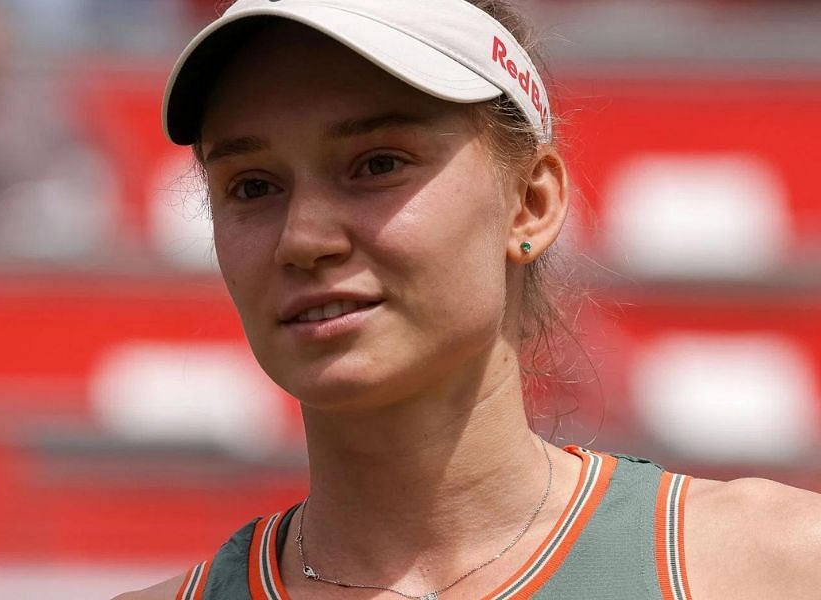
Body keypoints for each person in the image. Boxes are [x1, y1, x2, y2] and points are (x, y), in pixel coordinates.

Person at [121, 1, 821, 599]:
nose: (304, 238)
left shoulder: (773, 568)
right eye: (252, 186)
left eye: (377, 164)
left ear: (531, 202)